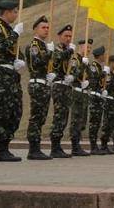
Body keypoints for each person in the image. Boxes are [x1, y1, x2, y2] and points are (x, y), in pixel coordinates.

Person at [0, 1, 23, 162]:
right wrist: (15, 34)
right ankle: (0, 149)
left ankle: (6, 144)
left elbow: (16, 51)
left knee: (15, 110)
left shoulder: (8, 29)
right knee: (3, 110)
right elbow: (0, 48)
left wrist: (20, 60)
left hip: (12, 73)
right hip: (2, 72)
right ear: (7, 12)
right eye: (15, 11)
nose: (16, 14)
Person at [24, 15, 53, 160]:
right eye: (43, 27)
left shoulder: (43, 46)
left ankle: (37, 148)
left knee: (41, 117)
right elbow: (36, 62)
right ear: (36, 29)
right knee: (36, 117)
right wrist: (49, 53)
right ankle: (33, 149)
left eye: (47, 27)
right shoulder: (34, 46)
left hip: (44, 84)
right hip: (37, 84)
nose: (46, 30)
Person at [49, 24, 75, 158]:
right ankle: (54, 147)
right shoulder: (56, 49)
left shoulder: (67, 50)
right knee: (59, 116)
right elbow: (58, 58)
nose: (68, 38)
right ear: (59, 36)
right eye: (66, 36)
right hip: (58, 86)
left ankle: (58, 145)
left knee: (64, 116)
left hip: (65, 86)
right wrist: (70, 51)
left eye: (70, 36)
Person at [68, 39, 91, 157]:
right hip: (76, 92)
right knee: (76, 119)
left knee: (82, 120)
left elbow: (90, 76)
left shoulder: (85, 61)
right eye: (87, 47)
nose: (89, 49)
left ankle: (77, 144)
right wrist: (82, 64)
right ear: (81, 47)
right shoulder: (75, 59)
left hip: (84, 93)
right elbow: (73, 73)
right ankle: (75, 146)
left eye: (90, 48)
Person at [87, 45, 108, 155]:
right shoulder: (94, 66)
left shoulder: (99, 67)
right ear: (100, 56)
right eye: (103, 55)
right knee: (94, 122)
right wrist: (103, 74)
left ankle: (95, 145)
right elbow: (94, 80)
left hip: (98, 97)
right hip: (94, 97)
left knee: (97, 122)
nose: (105, 56)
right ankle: (93, 146)